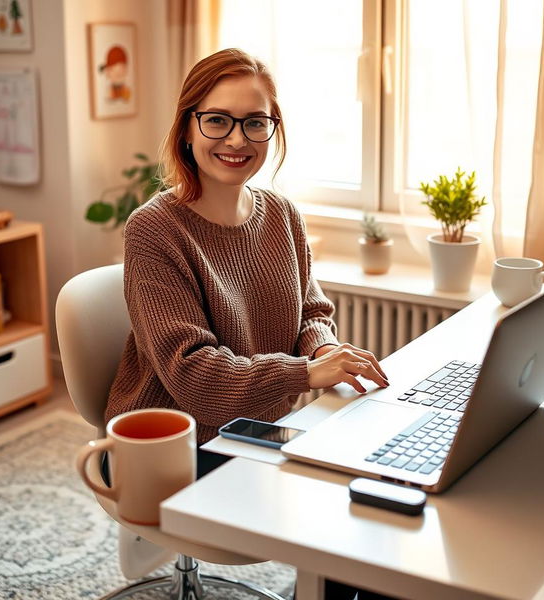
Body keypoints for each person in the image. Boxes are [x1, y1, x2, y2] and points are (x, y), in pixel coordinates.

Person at [104, 48, 393, 599]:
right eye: (217, 119)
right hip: (173, 444)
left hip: (259, 431)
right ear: (187, 127)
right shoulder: (155, 230)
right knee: (351, 518)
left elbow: (311, 313)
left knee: (390, 501)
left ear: (272, 130)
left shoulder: (282, 215)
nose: (237, 139)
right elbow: (191, 377)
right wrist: (306, 374)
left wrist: (327, 354)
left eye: (255, 122)